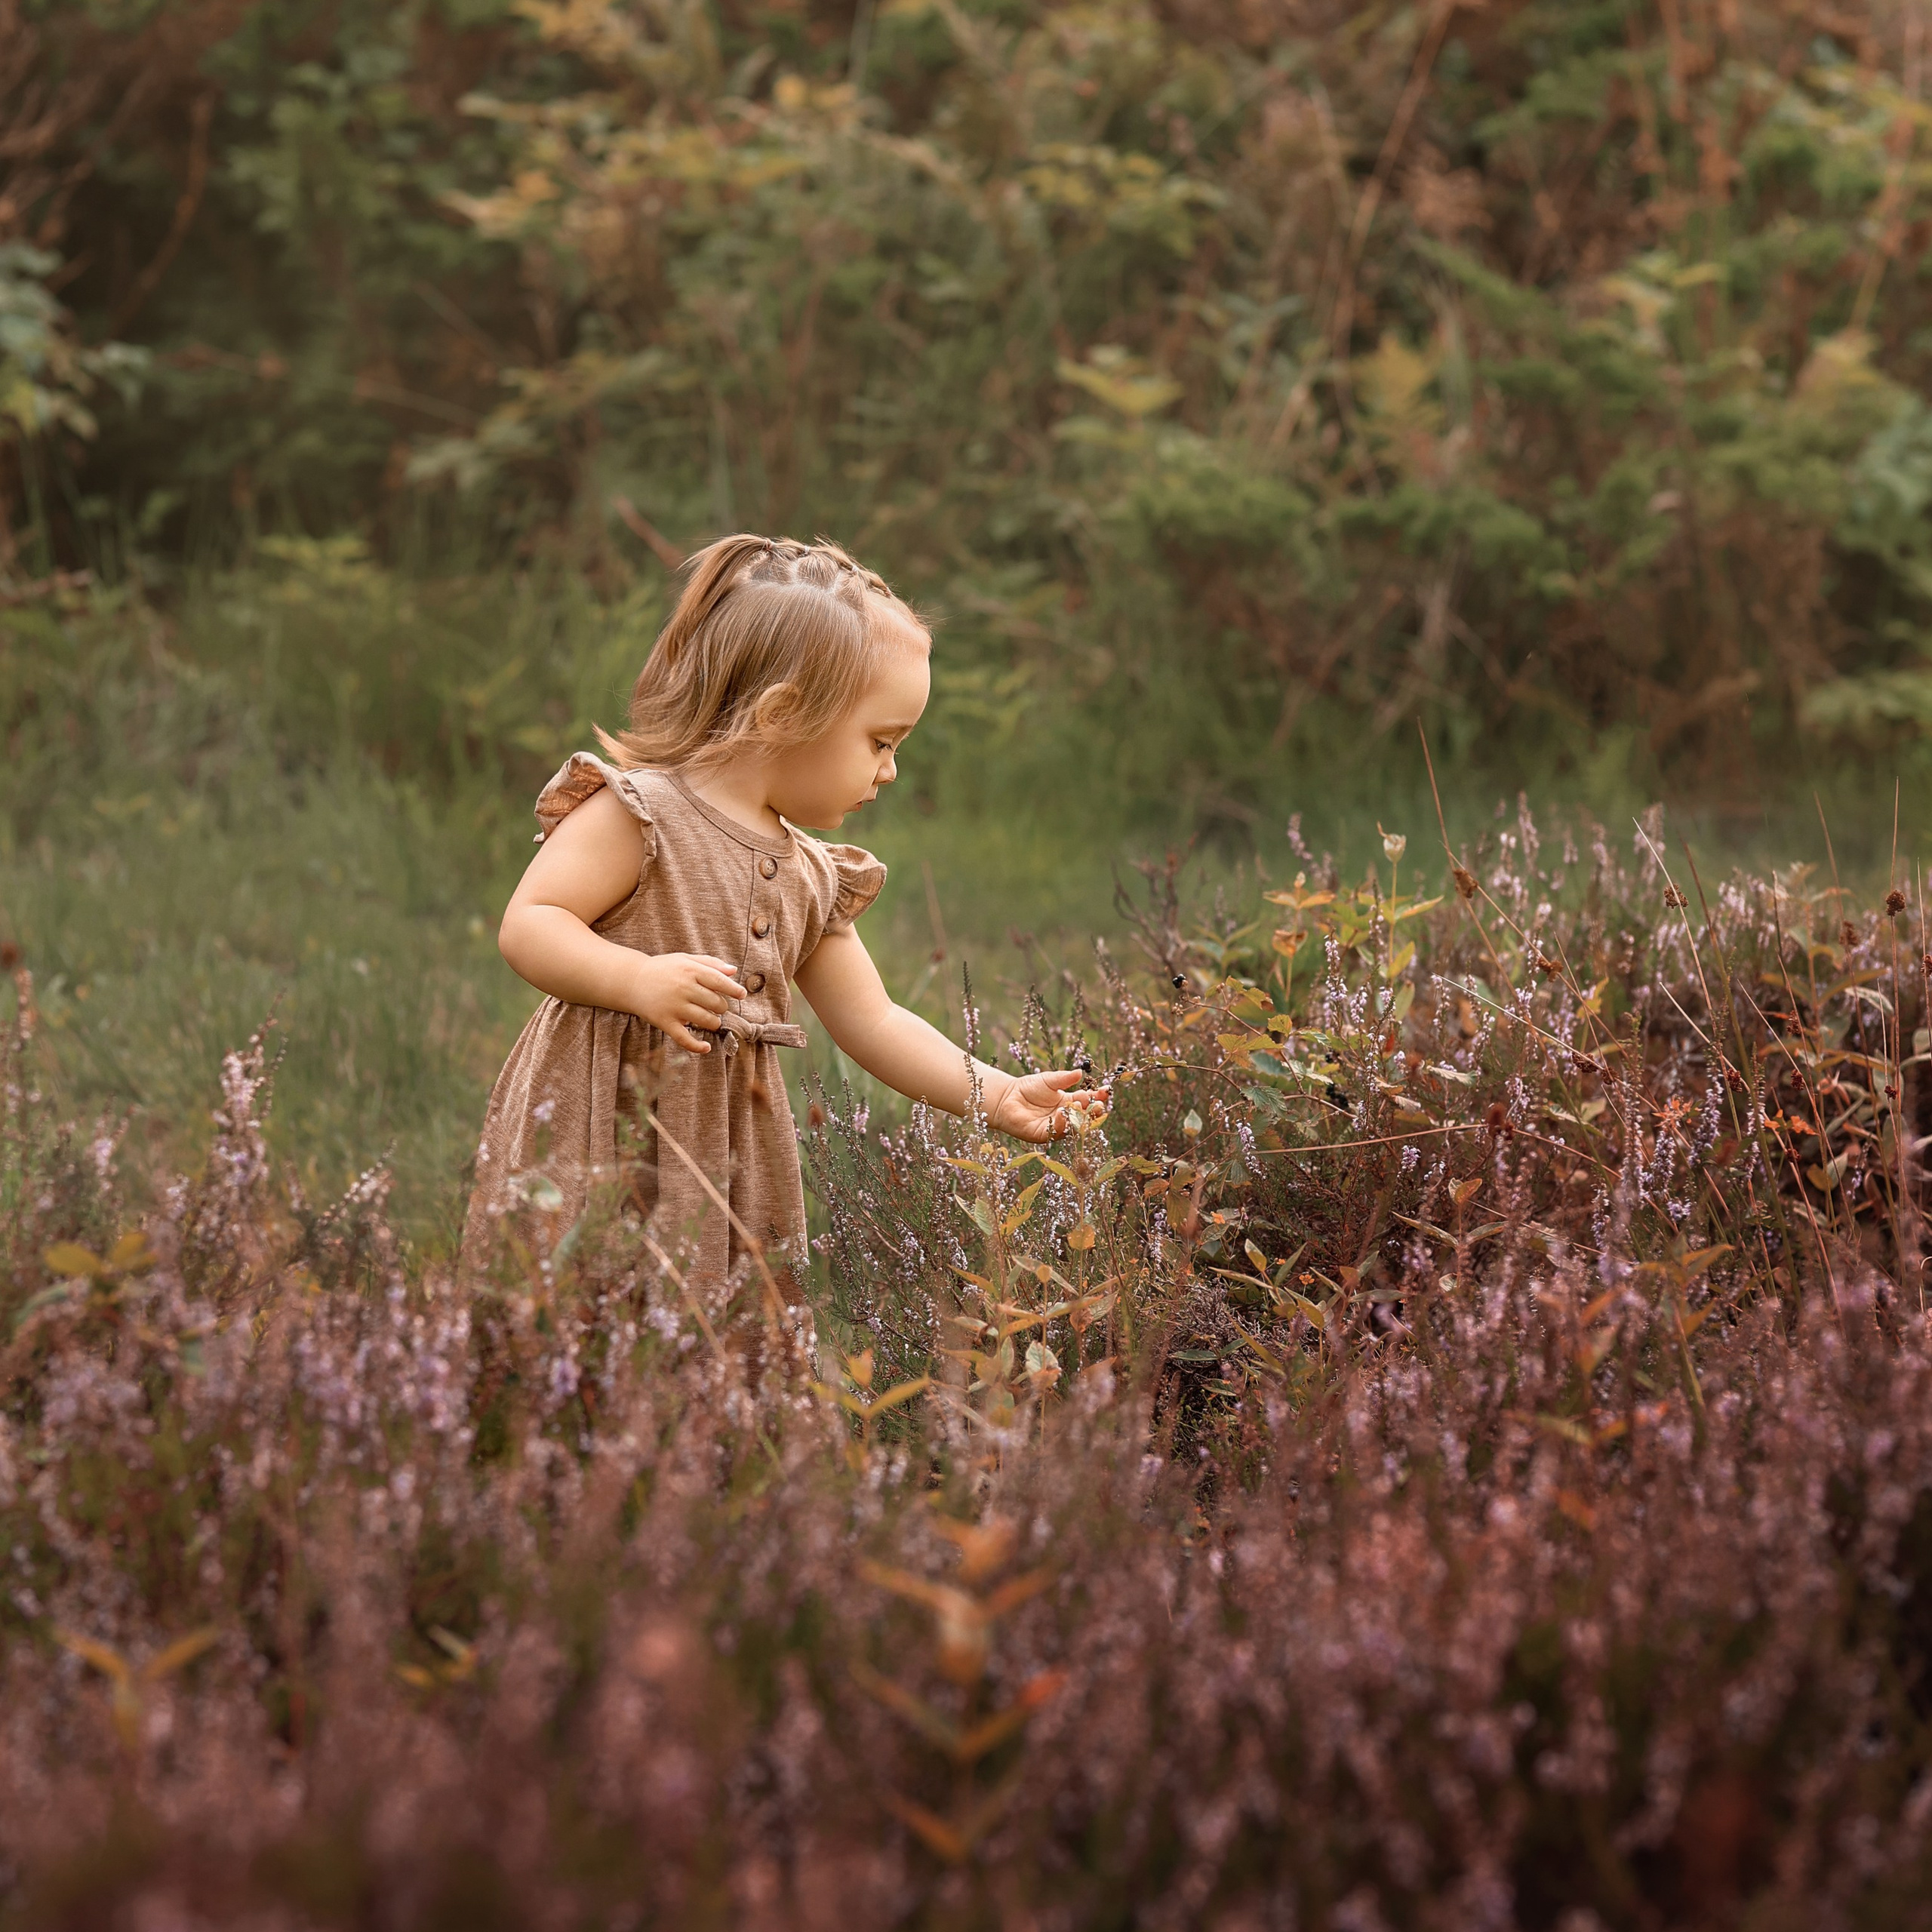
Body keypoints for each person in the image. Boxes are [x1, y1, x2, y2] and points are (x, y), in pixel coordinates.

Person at [461, 533, 1108, 1279]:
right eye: (880, 741)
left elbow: (874, 1018)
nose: (891, 770)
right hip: (595, 1126)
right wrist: (634, 981)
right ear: (783, 714)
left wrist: (995, 1094)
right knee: (577, 1298)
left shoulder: (811, 875)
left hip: (726, 1155)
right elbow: (531, 923)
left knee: (713, 1326)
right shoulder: (639, 815)